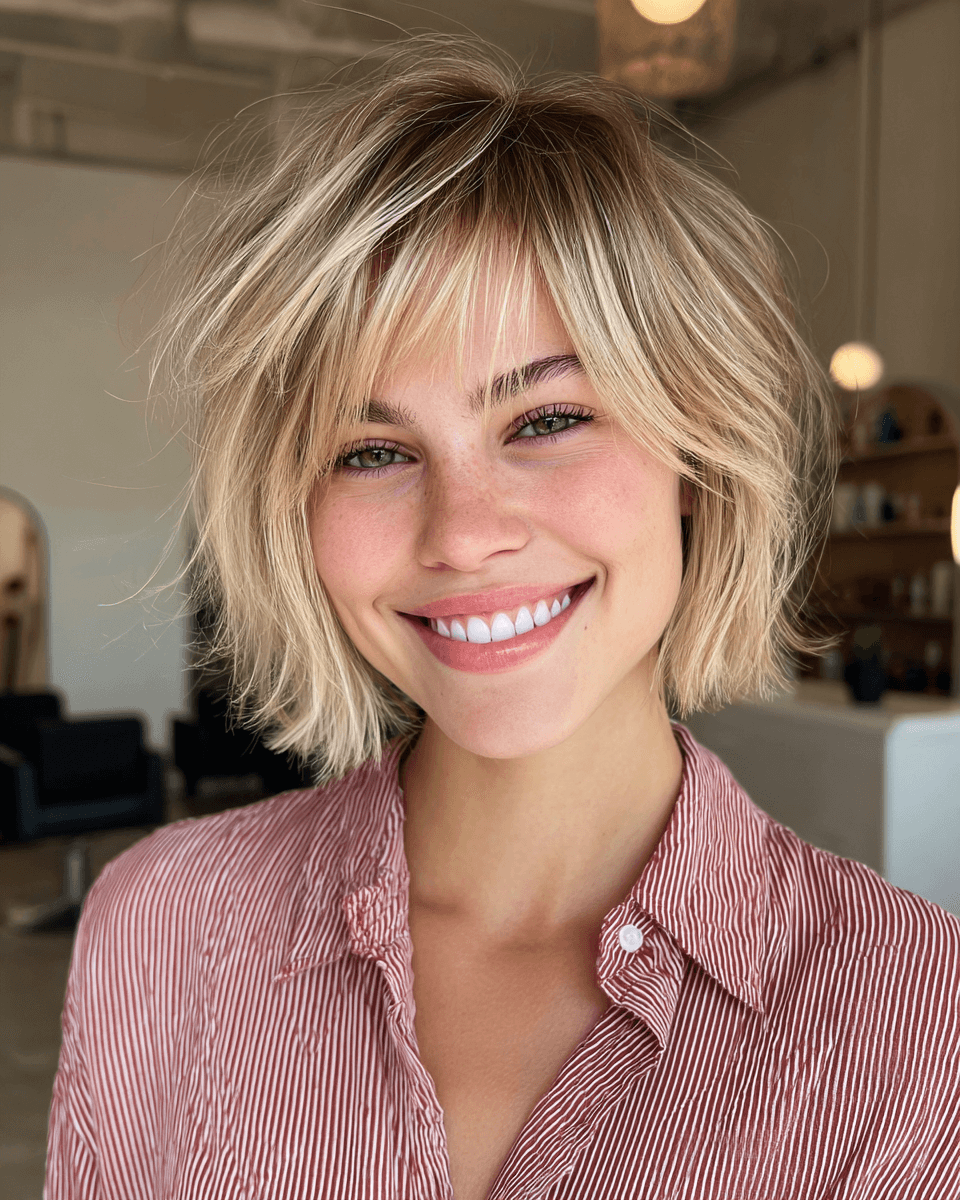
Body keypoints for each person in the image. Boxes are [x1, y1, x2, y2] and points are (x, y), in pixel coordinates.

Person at [46, 37, 959, 1200]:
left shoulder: (922, 1035)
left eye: (545, 419)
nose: (464, 532)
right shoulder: (159, 931)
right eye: (374, 450)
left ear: (694, 448)